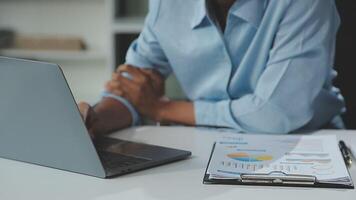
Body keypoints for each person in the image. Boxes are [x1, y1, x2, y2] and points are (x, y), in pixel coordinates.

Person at [79, 0, 345, 136]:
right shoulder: (168, 4)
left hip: (305, 144)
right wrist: (94, 120)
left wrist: (164, 108)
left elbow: (276, 113)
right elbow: (131, 89)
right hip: (205, 147)